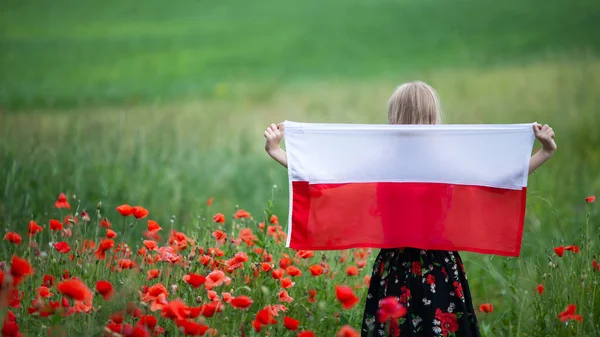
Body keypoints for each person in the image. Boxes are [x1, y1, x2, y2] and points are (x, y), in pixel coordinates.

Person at [263, 81, 556, 337]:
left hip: (394, 270)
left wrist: (277, 151)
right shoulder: (447, 164)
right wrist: (545, 152)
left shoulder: (380, 164)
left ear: (394, 116)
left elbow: (325, 176)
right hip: (440, 270)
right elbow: (501, 179)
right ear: (433, 116)